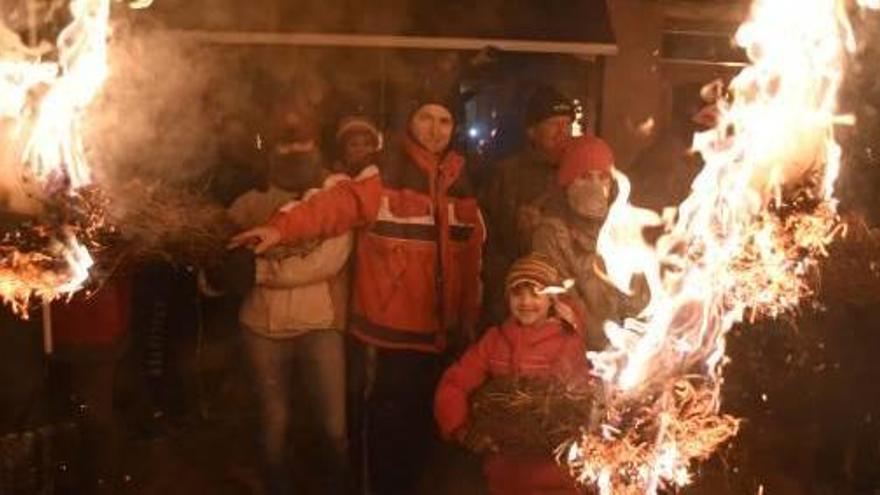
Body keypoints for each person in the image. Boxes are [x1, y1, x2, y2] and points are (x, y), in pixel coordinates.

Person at [230, 84, 485, 494]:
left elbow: (470, 262)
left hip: (439, 340)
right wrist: (279, 228)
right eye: (426, 118)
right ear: (410, 121)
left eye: (444, 120)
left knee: (423, 439)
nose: (435, 129)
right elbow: (332, 205)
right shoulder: (383, 172)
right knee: (378, 444)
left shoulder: (461, 182)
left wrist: (467, 322)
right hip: (387, 342)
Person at [204, 103, 352, 495]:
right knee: (273, 421)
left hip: (319, 325)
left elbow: (326, 262)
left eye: (302, 145)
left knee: (333, 425)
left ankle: (336, 486)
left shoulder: (332, 201)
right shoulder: (249, 204)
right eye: (285, 147)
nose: (293, 155)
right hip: (262, 328)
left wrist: (258, 273)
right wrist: (214, 276)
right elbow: (216, 263)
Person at [434, 253, 588, 495]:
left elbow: (573, 400)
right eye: (518, 293)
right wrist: (461, 428)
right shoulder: (495, 340)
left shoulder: (565, 342)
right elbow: (456, 382)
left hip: (553, 474)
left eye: (535, 293)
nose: (526, 302)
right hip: (504, 473)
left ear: (552, 300)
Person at [532, 135, 648, 349]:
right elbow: (563, 302)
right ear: (567, 184)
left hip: (626, 353)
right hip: (575, 352)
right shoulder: (551, 234)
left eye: (602, 177)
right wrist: (606, 348)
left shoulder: (623, 227)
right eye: (584, 177)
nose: (595, 185)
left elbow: (638, 298)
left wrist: (636, 345)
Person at [480, 84, 575, 327]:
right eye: (553, 123)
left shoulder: (582, 171)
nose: (562, 131)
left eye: (567, 124)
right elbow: (491, 238)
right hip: (522, 297)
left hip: (568, 291)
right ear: (532, 131)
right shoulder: (509, 174)